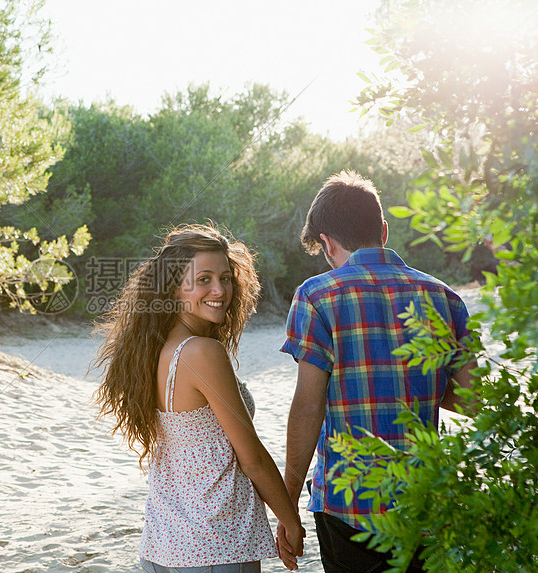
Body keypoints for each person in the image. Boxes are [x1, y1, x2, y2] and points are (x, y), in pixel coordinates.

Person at [278, 170, 476, 572]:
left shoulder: (316, 296)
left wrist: (288, 504)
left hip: (348, 504)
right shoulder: (444, 297)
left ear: (327, 243)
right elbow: (475, 400)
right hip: (426, 503)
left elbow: (308, 406)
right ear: (383, 230)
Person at [94, 224, 305, 573]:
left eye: (225, 278)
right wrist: (291, 522)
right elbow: (251, 457)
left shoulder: (154, 350)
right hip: (214, 545)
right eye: (203, 279)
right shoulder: (202, 353)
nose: (219, 290)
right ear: (174, 287)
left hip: (163, 545)